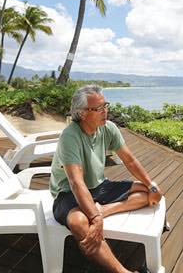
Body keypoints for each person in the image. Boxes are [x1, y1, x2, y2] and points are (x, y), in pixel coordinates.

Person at [50, 84, 163, 273]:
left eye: (106, 105)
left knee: (150, 193)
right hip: (68, 193)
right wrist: (93, 218)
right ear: (82, 113)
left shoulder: (108, 128)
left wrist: (151, 185)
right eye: (98, 108)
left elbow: (130, 160)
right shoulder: (70, 136)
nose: (105, 112)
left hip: (100, 186)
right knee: (79, 222)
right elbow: (76, 182)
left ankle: (105, 210)